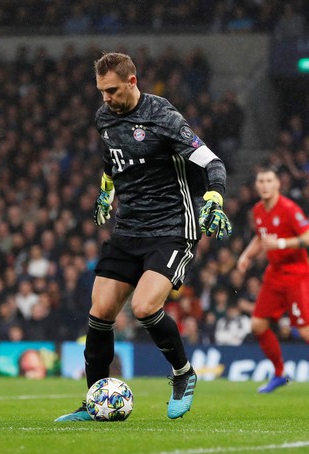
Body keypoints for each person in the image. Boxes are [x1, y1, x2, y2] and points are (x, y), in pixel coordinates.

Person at [55, 53, 232, 422]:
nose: (106, 98)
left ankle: (183, 374)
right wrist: (106, 189)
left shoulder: (162, 116)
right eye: (101, 91)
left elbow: (212, 162)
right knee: (100, 311)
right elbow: (111, 158)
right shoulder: (104, 117)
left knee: (144, 308)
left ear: (132, 82)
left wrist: (214, 197)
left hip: (171, 228)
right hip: (128, 228)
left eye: (113, 90)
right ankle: (93, 401)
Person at [237, 167, 309, 396]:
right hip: (274, 274)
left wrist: (282, 244)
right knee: (258, 325)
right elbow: (261, 237)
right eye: (261, 181)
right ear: (257, 185)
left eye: (269, 180)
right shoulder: (258, 210)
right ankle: (279, 374)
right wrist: (247, 255)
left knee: (307, 330)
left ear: (278, 184)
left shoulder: (288, 209)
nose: (265, 185)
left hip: (297, 275)